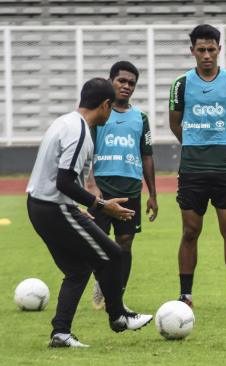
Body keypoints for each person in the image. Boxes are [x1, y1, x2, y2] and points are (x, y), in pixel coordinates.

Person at [26, 78, 153, 348]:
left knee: (78, 269)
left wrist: (91, 198)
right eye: (112, 106)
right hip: (55, 208)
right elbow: (63, 181)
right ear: (106, 105)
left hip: (39, 205)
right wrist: (100, 205)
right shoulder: (80, 131)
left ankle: (61, 333)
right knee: (113, 254)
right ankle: (118, 316)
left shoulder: (64, 122)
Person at [169, 24, 226, 309]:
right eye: (201, 50)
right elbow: (174, 122)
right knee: (190, 231)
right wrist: (195, 144)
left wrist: (224, 142)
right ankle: (185, 296)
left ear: (219, 49)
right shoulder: (181, 84)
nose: (206, 55)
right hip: (192, 169)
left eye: (211, 49)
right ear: (192, 51)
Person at [87, 61, 158, 310]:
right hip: (102, 190)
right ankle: (101, 282)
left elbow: (147, 156)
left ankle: (116, 296)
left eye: (131, 83)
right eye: (122, 81)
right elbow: (88, 152)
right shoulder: (98, 114)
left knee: (125, 243)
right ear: (111, 81)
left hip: (130, 191)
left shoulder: (141, 118)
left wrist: (153, 194)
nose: (126, 86)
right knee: (97, 242)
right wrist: (90, 185)